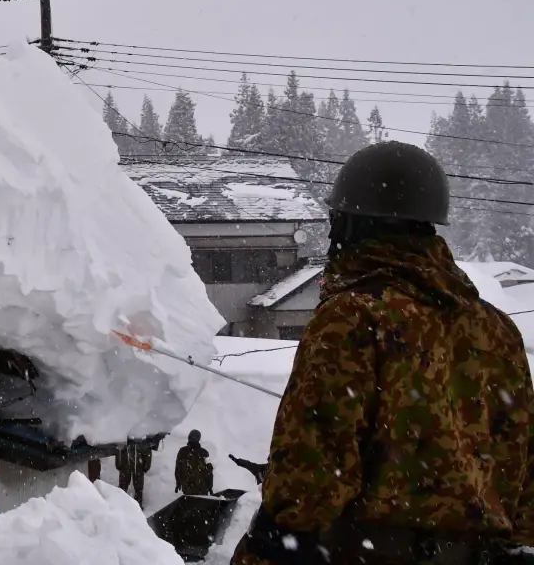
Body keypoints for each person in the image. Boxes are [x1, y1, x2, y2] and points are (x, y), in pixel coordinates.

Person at [233, 141, 534, 565]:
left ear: (352, 225)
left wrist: (264, 547)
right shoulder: (497, 329)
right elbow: (523, 481)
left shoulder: (352, 318)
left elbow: (307, 487)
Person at [117, 432, 164, 505]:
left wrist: (146, 466)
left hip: (134, 467)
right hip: (130, 466)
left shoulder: (139, 439)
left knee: (135, 488)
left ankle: (135, 505)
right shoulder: (127, 438)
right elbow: (119, 452)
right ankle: (121, 504)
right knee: (125, 487)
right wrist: (146, 466)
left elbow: (147, 453)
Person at [175, 429, 214, 496]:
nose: (192, 439)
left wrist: (210, 486)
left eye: (194, 437)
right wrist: (178, 482)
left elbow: (209, 470)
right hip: (189, 487)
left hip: (201, 487)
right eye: (191, 436)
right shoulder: (183, 451)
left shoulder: (204, 452)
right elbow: (178, 468)